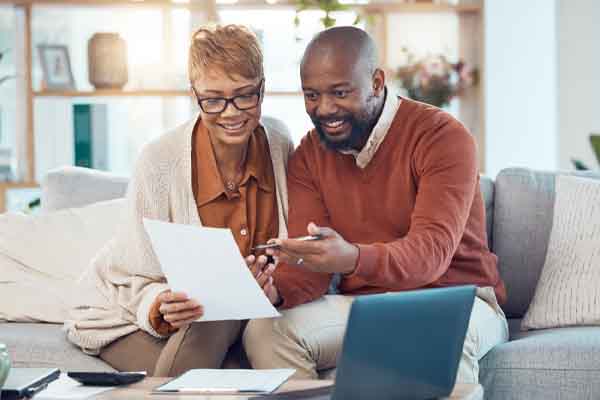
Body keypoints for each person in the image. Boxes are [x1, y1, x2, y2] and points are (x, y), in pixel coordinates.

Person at [243, 26, 508, 384]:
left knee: (431, 336)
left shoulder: (442, 137)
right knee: (264, 331)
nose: (324, 109)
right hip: (367, 306)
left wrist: (351, 257)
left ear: (378, 82)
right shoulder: (309, 155)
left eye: (340, 92)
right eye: (311, 95)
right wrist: (275, 289)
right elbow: (310, 265)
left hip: (456, 299)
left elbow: (430, 255)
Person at [64, 24, 291, 377]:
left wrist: (275, 287)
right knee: (215, 321)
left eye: (245, 95)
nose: (231, 113)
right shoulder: (159, 161)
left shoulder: (279, 144)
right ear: (193, 93)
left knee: (230, 332)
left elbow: (292, 254)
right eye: (213, 100)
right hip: (130, 318)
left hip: (236, 320)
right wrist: (160, 304)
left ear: (263, 87)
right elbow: (130, 273)